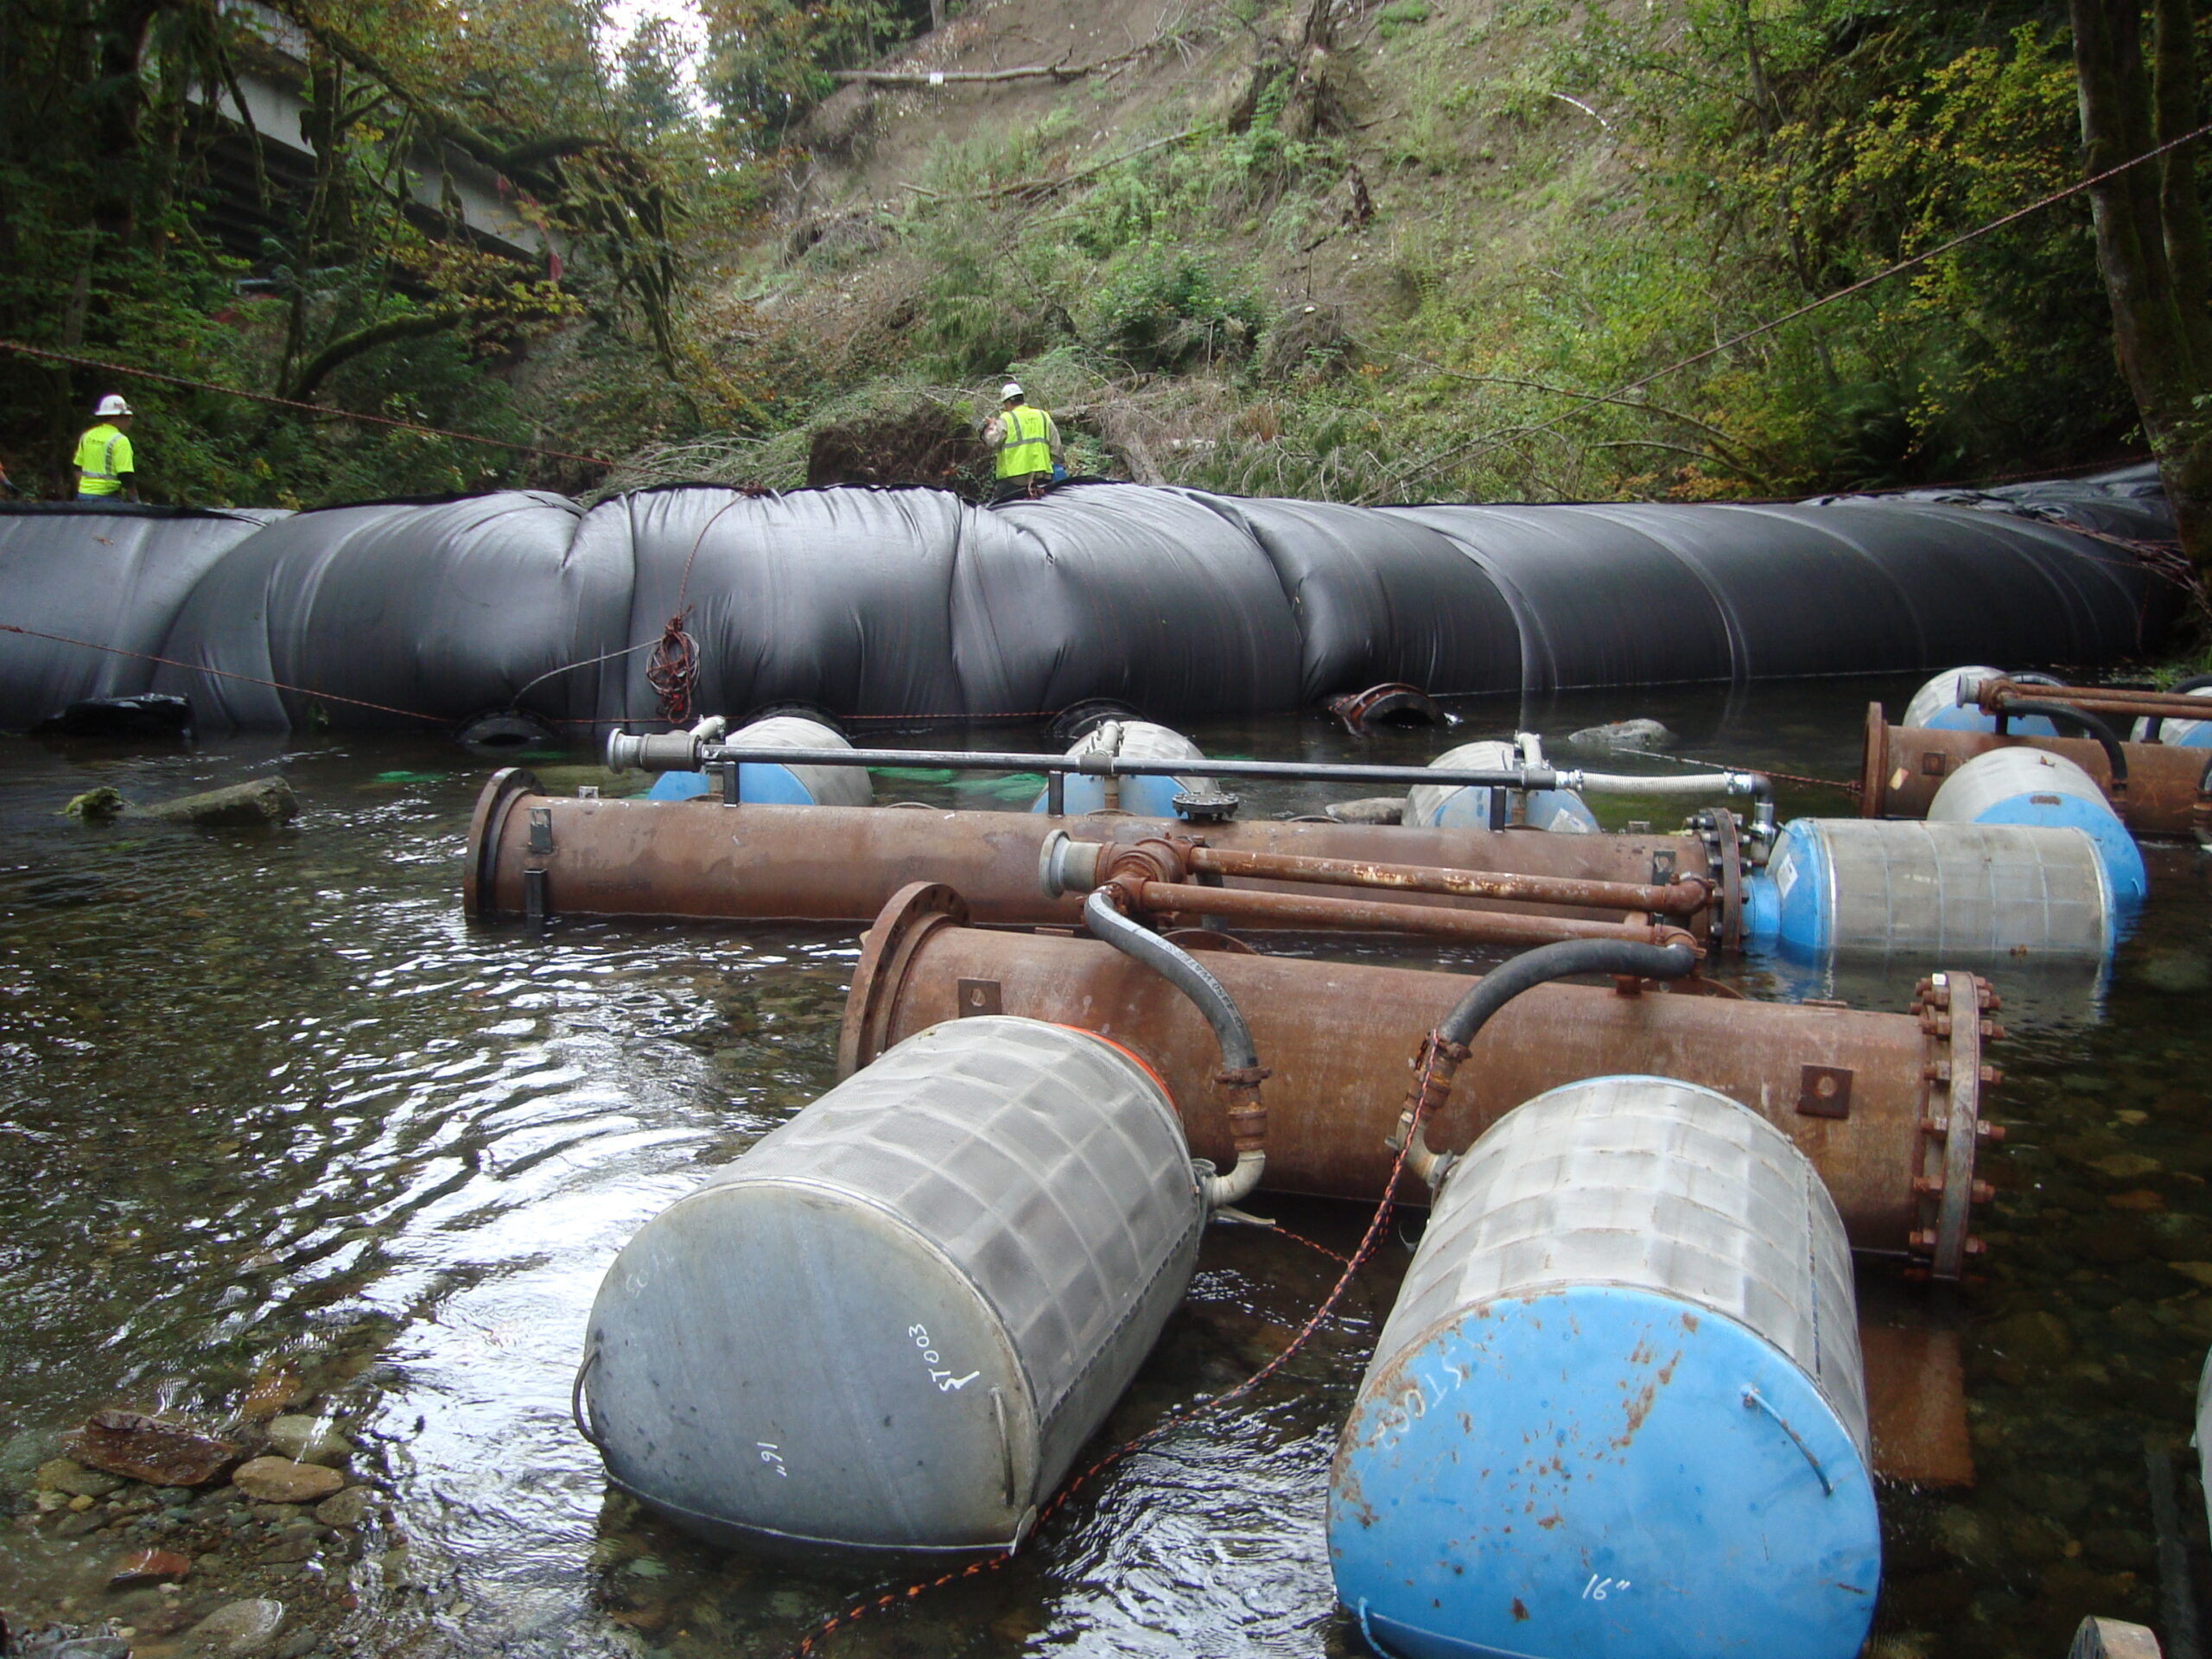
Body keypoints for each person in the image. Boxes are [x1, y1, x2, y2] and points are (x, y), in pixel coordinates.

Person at [982, 381, 1064, 500]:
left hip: (1013, 479)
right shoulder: (1043, 415)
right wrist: (1058, 465)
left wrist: (991, 427)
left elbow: (993, 442)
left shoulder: (1007, 418)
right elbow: (1056, 447)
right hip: (1042, 476)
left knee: (999, 510)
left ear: (1008, 402)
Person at [72, 395, 137, 503]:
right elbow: (126, 476)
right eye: (126, 417)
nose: (129, 420)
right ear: (116, 418)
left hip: (83, 496)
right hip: (107, 499)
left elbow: (77, 467)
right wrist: (136, 501)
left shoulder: (87, 435)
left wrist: (85, 490)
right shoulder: (120, 440)